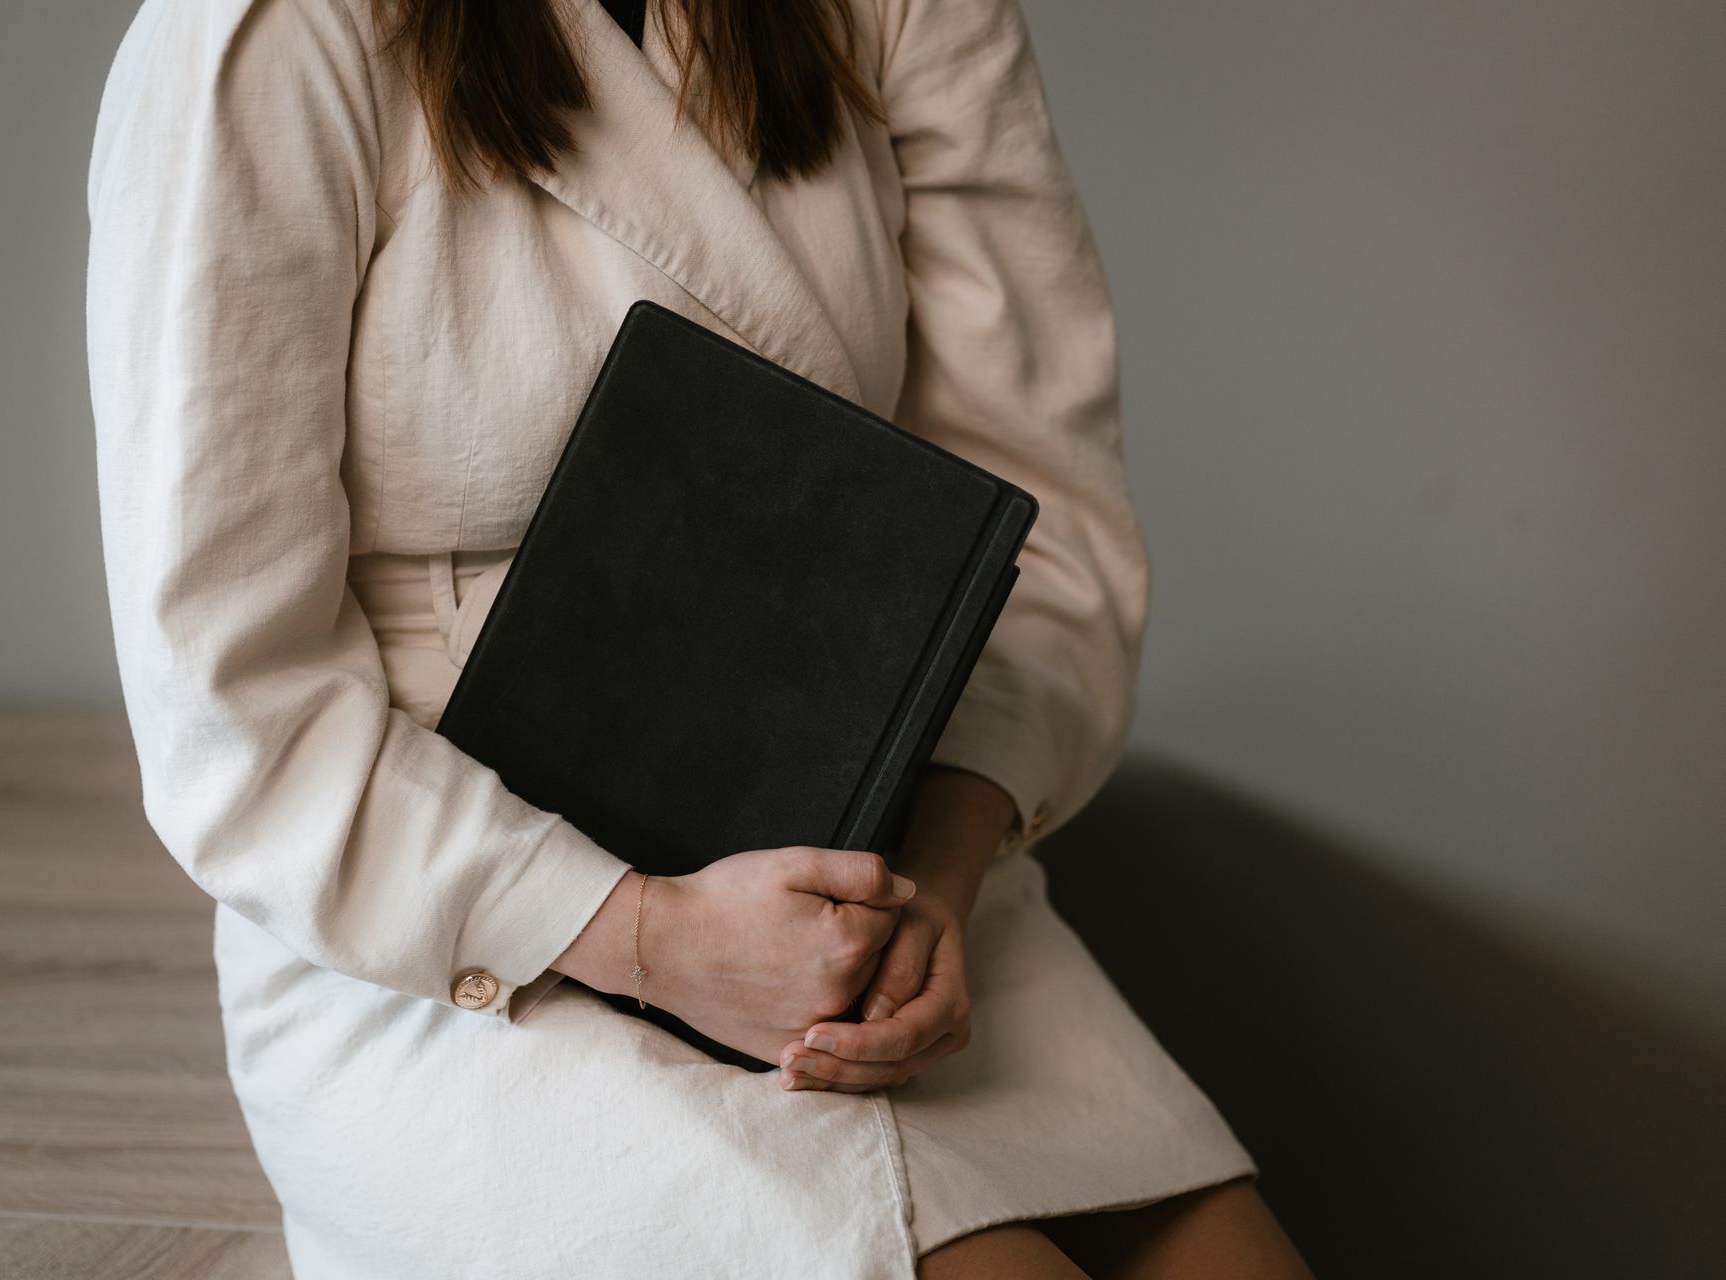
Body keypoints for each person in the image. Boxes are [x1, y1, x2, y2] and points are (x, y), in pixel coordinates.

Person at [84, 0, 1312, 1275]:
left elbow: (1041, 516)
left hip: (886, 863)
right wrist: (657, 937)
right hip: (453, 923)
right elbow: (234, 705)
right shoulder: (263, 38)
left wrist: (937, 872)